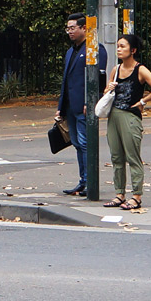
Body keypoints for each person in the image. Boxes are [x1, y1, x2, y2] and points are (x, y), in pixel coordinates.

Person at [101, 33, 151, 211]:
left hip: (130, 116)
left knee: (132, 156)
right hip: (114, 115)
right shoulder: (116, 70)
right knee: (116, 156)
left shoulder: (140, 70)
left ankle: (136, 196)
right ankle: (119, 194)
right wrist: (108, 89)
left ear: (133, 50)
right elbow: (106, 93)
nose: (119, 49)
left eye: (123, 46)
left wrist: (143, 101)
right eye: (118, 46)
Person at [54, 12, 104, 195]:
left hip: (84, 105)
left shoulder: (94, 49)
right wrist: (60, 107)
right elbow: (66, 81)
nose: (69, 32)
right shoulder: (70, 52)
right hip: (70, 106)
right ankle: (83, 180)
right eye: (67, 28)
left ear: (84, 28)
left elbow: (99, 78)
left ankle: (90, 181)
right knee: (76, 142)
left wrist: (90, 101)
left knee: (84, 143)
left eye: (73, 28)